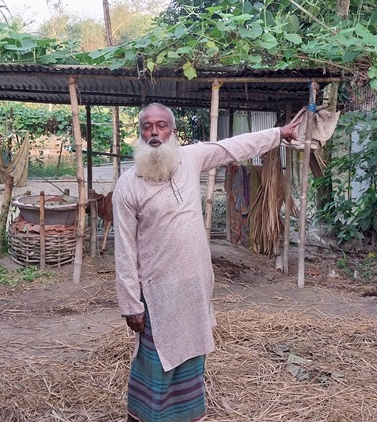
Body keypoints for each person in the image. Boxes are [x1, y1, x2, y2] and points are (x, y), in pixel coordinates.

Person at [113, 103, 302, 422]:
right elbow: (125, 250)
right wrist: (130, 303)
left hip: (194, 287)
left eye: (162, 126)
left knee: (190, 358)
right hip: (157, 295)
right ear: (140, 133)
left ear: (173, 132)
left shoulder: (191, 158)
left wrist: (278, 134)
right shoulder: (128, 185)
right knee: (155, 362)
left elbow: (232, 147)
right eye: (148, 127)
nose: (155, 132)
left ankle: (186, 415)